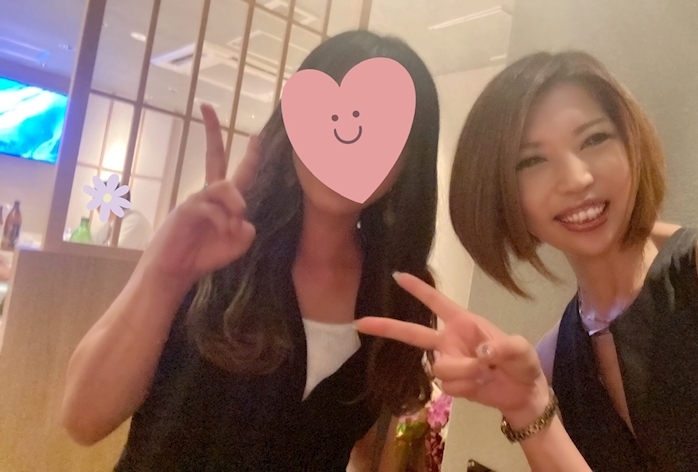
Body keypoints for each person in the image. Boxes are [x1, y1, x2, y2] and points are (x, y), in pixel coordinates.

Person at [357, 51, 698, 471]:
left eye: (594, 139)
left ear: (631, 145)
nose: (575, 178)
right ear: (504, 195)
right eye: (532, 161)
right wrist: (527, 407)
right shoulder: (553, 359)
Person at [60, 30, 441, 471]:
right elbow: (83, 420)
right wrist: (166, 274)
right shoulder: (212, 244)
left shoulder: (399, 295)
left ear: (408, 161)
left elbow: (361, 443)